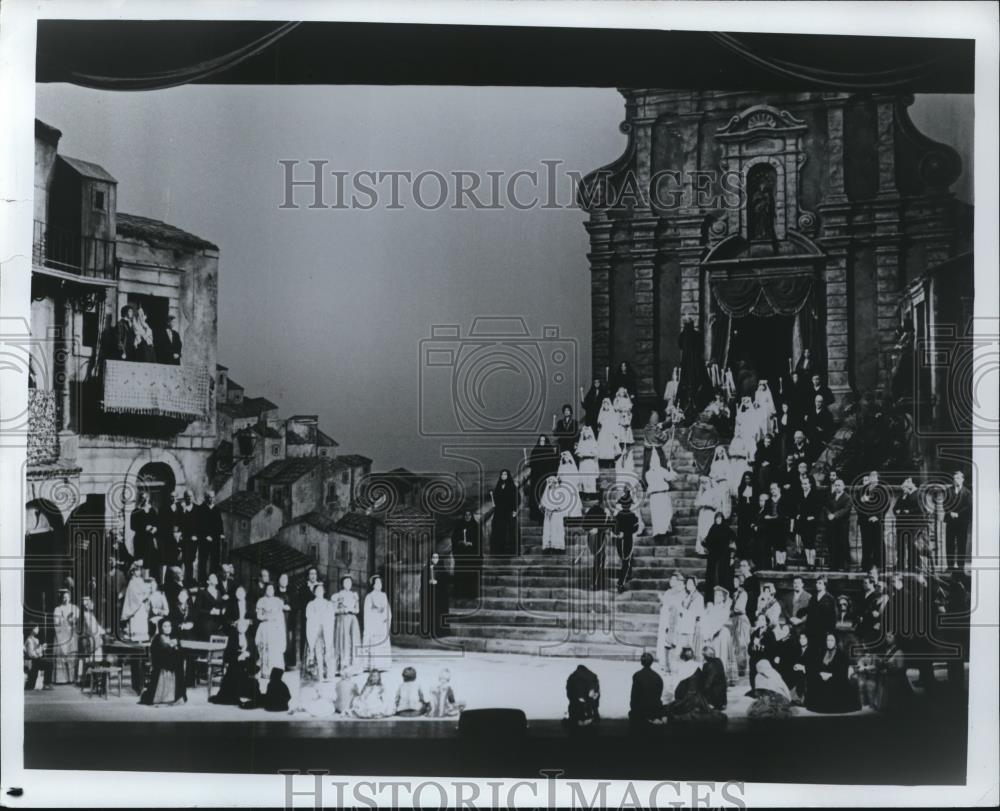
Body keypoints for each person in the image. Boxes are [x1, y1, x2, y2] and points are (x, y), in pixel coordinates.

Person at [210, 618, 260, 707]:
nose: (242, 628)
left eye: (244, 625)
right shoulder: (232, 637)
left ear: (247, 627)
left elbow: (257, 655)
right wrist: (238, 657)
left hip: (248, 663)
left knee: (249, 669)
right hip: (235, 663)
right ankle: (234, 695)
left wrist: (248, 654)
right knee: (236, 670)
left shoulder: (250, 638)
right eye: (240, 626)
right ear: (237, 627)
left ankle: (247, 692)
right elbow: (227, 655)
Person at [806, 633, 860, 714]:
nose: (829, 642)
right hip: (822, 677)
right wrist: (820, 673)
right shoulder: (822, 652)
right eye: (828, 640)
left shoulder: (841, 654)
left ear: (835, 642)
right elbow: (816, 667)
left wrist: (831, 675)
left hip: (836, 679)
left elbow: (843, 671)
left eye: (831, 640)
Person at [139, 619, 187, 705]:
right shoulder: (158, 638)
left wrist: (176, 647)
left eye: (169, 626)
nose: (168, 628)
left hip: (174, 666)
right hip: (162, 666)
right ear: (161, 627)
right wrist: (171, 648)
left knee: (178, 667)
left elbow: (180, 653)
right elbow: (157, 655)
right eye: (165, 626)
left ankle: (175, 696)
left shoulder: (174, 637)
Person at [254, 582, 286, 690]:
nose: (270, 591)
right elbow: (259, 616)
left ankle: (275, 671)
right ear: (265, 590)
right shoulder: (261, 601)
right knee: (264, 648)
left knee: (274, 649)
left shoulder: (278, 601)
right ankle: (265, 671)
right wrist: (266, 617)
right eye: (268, 589)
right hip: (265, 627)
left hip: (275, 628)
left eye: (272, 589)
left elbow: (280, 616)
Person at [701, 588, 735, 685]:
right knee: (712, 654)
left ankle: (721, 678)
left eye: (720, 595)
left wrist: (713, 632)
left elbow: (722, 621)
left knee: (721, 655)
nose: (717, 597)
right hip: (711, 633)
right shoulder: (711, 607)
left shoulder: (725, 608)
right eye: (716, 595)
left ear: (723, 597)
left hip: (721, 634)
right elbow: (705, 620)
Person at [858, 471, 889, 572]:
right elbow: (859, 503)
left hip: (876, 521)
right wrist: (863, 501)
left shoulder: (882, 489)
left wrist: (878, 517)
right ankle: (866, 565)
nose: (872, 478)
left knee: (878, 543)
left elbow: (885, 505)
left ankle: (880, 565)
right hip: (865, 521)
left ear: (878, 478)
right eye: (871, 476)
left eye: (874, 476)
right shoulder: (864, 489)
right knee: (866, 544)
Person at [305, 583, 336, 681]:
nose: (319, 592)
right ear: (314, 592)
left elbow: (331, 616)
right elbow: (309, 616)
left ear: (324, 591)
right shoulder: (311, 604)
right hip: (316, 630)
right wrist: (317, 619)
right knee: (318, 652)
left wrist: (324, 619)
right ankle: (320, 674)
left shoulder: (328, 604)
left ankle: (330, 674)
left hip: (326, 629)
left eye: (321, 590)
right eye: (317, 590)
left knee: (328, 652)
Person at [361, 575, 392, 671]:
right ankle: (373, 665)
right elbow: (367, 612)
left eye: (380, 583)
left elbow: (387, 610)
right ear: (373, 585)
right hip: (373, 622)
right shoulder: (369, 596)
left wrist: (384, 618)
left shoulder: (383, 595)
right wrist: (372, 622)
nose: (379, 585)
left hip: (382, 622)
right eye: (377, 583)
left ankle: (382, 665)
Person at [541, 477, 579, 554]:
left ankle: (558, 546)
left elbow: (562, 504)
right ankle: (549, 547)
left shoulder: (559, 492)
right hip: (548, 516)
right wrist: (548, 509)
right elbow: (544, 503)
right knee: (548, 530)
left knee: (557, 531)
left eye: (554, 483)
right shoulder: (547, 493)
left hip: (557, 515)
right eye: (550, 483)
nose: (552, 484)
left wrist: (555, 509)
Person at [656, 573, 685, 672]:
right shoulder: (668, 591)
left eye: (674, 580)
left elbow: (676, 606)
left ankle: (670, 663)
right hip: (664, 618)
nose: (671, 581)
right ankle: (662, 662)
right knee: (662, 639)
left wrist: (666, 602)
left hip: (672, 620)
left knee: (670, 641)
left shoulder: (680, 593)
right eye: (671, 579)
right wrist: (662, 600)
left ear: (678, 582)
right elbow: (664, 604)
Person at [629, 652, 668, 726]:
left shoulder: (637, 675)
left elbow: (634, 696)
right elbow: (659, 696)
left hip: (641, 709)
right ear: (652, 662)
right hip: (655, 709)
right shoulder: (658, 677)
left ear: (641, 662)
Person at [943, 470, 971, 570]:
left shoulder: (967, 492)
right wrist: (950, 512)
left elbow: (968, 507)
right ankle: (950, 566)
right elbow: (944, 504)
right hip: (950, 520)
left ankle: (960, 566)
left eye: (958, 478)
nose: (956, 480)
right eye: (954, 478)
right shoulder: (948, 491)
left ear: (963, 479)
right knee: (949, 543)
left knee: (961, 543)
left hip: (962, 522)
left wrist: (958, 513)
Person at [645, 452, 678, 537]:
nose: (654, 463)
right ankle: (658, 532)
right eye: (652, 462)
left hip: (662, 494)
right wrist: (668, 468)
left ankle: (665, 530)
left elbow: (672, 477)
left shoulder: (661, 470)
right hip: (655, 495)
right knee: (656, 514)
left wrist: (669, 468)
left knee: (665, 513)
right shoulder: (649, 473)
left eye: (655, 461)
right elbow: (670, 477)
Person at [334, 575, 362, 673]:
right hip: (342, 619)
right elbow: (334, 610)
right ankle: (342, 666)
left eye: (349, 582)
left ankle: (353, 667)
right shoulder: (338, 595)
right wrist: (343, 610)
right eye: (345, 582)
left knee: (353, 641)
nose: (347, 584)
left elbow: (357, 610)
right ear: (342, 584)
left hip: (352, 619)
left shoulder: (354, 595)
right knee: (343, 641)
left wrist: (353, 610)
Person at [527, 435, 559, 523]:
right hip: (536, 479)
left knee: (545, 498)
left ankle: (544, 517)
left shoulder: (550, 452)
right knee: (536, 497)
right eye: (540, 440)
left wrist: (551, 477)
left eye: (543, 440)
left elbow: (553, 466)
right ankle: (536, 515)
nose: (542, 442)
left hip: (546, 479)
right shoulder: (535, 451)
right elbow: (532, 465)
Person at [613, 492, 640, 592]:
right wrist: (623, 533)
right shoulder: (633, 516)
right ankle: (622, 580)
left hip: (621, 540)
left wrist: (619, 532)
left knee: (625, 561)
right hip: (626, 540)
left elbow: (613, 528)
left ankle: (621, 582)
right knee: (626, 561)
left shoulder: (618, 516)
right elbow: (635, 528)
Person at [703, 512, 735, 599]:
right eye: (716, 518)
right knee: (712, 577)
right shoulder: (712, 529)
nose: (718, 520)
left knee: (723, 576)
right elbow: (707, 541)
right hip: (713, 557)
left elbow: (733, 543)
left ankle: (724, 597)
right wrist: (703, 542)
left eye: (720, 518)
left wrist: (732, 556)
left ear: (722, 519)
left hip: (724, 557)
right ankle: (711, 598)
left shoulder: (727, 529)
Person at [450, 510, 482, 597]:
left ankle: (471, 594)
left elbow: (479, 541)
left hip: (472, 556)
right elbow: (454, 539)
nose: (467, 517)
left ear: (472, 516)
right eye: (466, 515)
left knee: (470, 575)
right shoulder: (459, 527)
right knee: (461, 574)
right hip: (461, 555)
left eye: (469, 515)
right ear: (463, 516)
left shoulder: (476, 527)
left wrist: (472, 544)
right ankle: (460, 593)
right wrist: (460, 542)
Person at [196, 490, 225, 583]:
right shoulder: (201, 509)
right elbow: (199, 525)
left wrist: (221, 533)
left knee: (215, 559)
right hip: (204, 539)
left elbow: (220, 523)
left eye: (212, 497)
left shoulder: (216, 509)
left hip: (215, 538)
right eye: (209, 497)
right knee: (203, 560)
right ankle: (202, 580)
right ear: (206, 498)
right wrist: (205, 536)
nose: (211, 499)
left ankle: (213, 580)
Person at [762, 482, 792, 570]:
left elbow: (785, 514)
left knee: (782, 545)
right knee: (776, 545)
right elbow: (765, 514)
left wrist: (772, 517)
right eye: (771, 489)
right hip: (772, 527)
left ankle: (783, 563)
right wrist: (769, 517)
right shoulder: (768, 501)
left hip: (782, 526)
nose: (772, 491)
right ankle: (778, 563)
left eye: (774, 489)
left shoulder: (785, 499)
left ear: (779, 489)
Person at [130, 494, 160, 580]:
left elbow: (157, 523)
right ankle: (140, 579)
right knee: (140, 559)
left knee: (150, 560)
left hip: (149, 539)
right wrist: (144, 528)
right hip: (140, 540)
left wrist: (155, 528)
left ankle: (149, 579)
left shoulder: (152, 511)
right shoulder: (136, 511)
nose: (144, 500)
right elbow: (132, 526)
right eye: (142, 498)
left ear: (148, 499)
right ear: (140, 499)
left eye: (146, 498)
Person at [490, 469, 519, 555]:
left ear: (508, 476)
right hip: (499, 512)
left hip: (508, 511)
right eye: (502, 475)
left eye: (505, 474)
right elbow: (495, 498)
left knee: (509, 531)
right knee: (498, 530)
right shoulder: (499, 486)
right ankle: (498, 550)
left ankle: (510, 551)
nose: (503, 476)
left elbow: (516, 499)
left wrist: (514, 510)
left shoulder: (512, 487)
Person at [796, 477, 823, 570]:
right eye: (803, 484)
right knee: (805, 542)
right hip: (803, 521)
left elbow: (819, 507)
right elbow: (798, 507)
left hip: (811, 521)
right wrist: (798, 514)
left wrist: (814, 516)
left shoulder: (815, 494)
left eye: (806, 484)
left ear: (810, 484)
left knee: (811, 542)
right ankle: (808, 562)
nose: (804, 486)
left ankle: (813, 563)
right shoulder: (800, 494)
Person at [825, 479, 852, 571]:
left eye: (839, 485)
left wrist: (835, 515)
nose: (837, 487)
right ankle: (833, 565)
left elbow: (845, 510)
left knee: (843, 544)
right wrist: (829, 514)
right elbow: (826, 506)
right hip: (832, 525)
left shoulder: (847, 497)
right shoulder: (832, 496)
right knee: (832, 544)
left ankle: (844, 566)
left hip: (842, 525)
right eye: (836, 485)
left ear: (843, 486)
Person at [421, 553, 450, 639]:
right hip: (429, 596)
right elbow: (423, 583)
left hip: (439, 597)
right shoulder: (426, 569)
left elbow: (446, 583)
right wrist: (428, 583)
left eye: (437, 557)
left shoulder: (442, 569)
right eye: (433, 557)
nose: (435, 559)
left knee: (438, 613)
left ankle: (440, 632)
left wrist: (438, 583)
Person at [121, 562, 151, 643]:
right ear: (132, 572)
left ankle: (142, 637)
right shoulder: (132, 582)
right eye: (137, 570)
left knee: (142, 619)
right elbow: (133, 594)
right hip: (137, 604)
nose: (139, 572)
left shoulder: (141, 580)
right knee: (137, 619)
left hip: (142, 604)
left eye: (140, 570)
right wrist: (142, 597)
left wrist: (147, 593)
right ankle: (136, 638)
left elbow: (145, 589)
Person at [676, 577, 704, 658]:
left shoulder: (699, 597)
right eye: (687, 583)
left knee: (690, 645)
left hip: (692, 625)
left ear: (695, 585)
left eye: (690, 583)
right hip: (684, 623)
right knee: (682, 644)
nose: (688, 585)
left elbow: (699, 613)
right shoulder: (686, 596)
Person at [730, 574, 752, 679]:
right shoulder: (734, 594)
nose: (734, 583)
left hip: (741, 620)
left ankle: (743, 668)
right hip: (735, 619)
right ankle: (737, 668)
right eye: (733, 581)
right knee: (735, 643)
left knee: (742, 643)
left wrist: (731, 609)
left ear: (740, 582)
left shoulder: (743, 594)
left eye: (736, 581)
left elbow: (739, 608)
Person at [565, 664, 601, 728]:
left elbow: (570, 689)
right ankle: (594, 718)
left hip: (579, 696)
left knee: (575, 707)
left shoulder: (573, 676)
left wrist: (574, 698)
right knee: (593, 706)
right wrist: (595, 693)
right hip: (590, 695)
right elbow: (596, 686)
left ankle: (576, 720)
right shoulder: (592, 676)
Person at [197, 572, 227, 639]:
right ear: (208, 581)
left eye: (216, 577)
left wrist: (223, 610)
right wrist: (210, 612)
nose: (216, 578)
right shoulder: (202, 593)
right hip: (206, 622)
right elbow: (197, 609)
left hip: (218, 622)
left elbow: (221, 606)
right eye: (213, 577)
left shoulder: (219, 592)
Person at [24, 626, 53, 690]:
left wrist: (42, 649)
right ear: (32, 629)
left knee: (49, 663)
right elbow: (32, 654)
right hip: (32, 661)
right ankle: (46, 684)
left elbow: (39, 654)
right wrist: (41, 648)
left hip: (37, 660)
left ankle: (46, 683)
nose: (38, 629)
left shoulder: (36, 640)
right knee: (48, 664)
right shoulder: (29, 640)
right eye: (36, 628)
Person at [596, 398, 623, 464]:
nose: (605, 405)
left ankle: (610, 460)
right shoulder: (602, 413)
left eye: (607, 404)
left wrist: (615, 433)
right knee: (602, 444)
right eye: (604, 404)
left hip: (610, 431)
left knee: (610, 445)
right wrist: (600, 424)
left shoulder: (612, 413)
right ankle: (603, 461)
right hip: (603, 431)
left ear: (609, 405)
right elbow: (599, 421)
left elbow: (615, 423)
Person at [575, 427, 600, 494]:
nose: (586, 435)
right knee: (584, 476)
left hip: (590, 462)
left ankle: (590, 492)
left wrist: (589, 455)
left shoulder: (593, 443)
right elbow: (578, 453)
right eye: (585, 433)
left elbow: (596, 453)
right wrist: (582, 455)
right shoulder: (581, 443)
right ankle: (584, 492)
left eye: (587, 433)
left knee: (590, 477)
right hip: (583, 462)